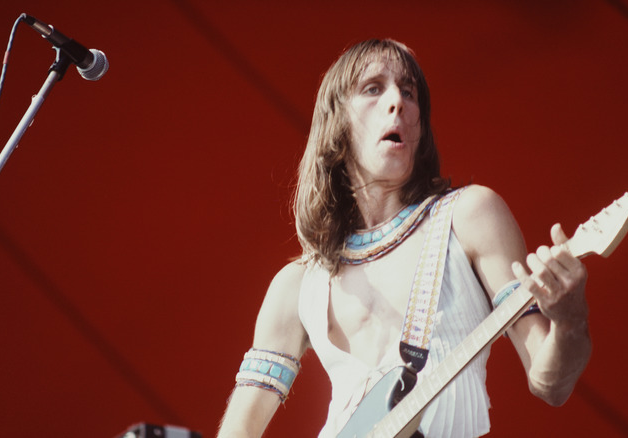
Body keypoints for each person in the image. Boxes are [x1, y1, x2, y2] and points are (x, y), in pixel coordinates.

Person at [217, 39, 591, 438]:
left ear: (419, 127)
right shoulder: (296, 285)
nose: (397, 101)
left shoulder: (469, 216)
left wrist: (570, 320)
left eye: (408, 91)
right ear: (337, 123)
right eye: (373, 88)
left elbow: (550, 383)